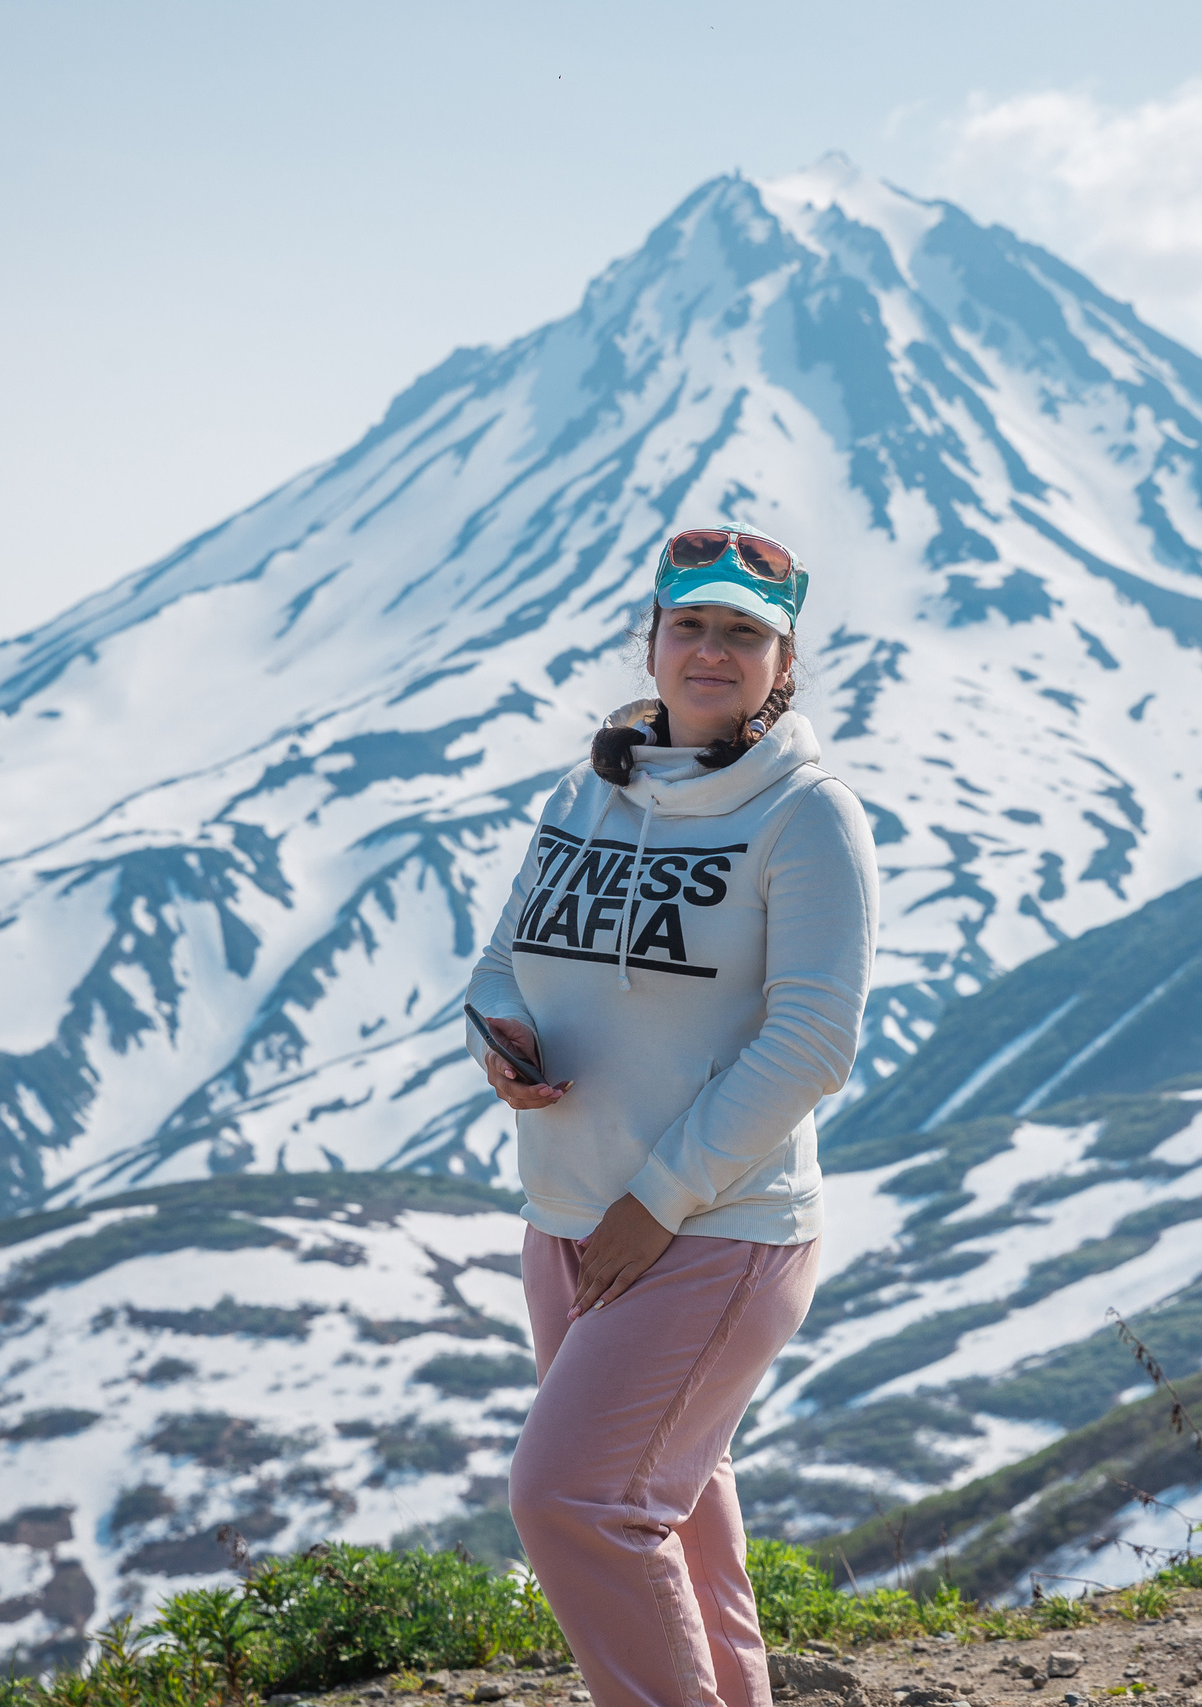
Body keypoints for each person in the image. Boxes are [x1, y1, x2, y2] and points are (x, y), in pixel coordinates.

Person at [464, 524, 877, 1707]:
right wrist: (505, 1041)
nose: (711, 649)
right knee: (671, 1511)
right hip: (567, 1213)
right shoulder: (586, 792)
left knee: (574, 1501)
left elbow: (813, 1041)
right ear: (650, 641)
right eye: (689, 624)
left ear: (781, 662)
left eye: (742, 632)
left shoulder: (808, 815)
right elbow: (503, 962)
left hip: (712, 1224)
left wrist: (657, 1202)